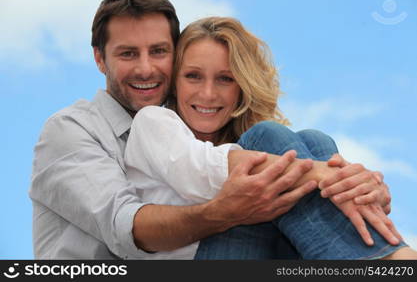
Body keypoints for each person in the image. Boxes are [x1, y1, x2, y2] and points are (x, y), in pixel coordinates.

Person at [29, 0, 392, 259]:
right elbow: (127, 227)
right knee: (274, 145)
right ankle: (390, 257)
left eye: (158, 51)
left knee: (313, 140)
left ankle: (380, 250)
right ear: (99, 59)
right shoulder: (73, 130)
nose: (145, 68)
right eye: (127, 54)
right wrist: (310, 175)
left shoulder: (197, 129)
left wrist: (354, 186)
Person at [124, 16, 416, 259]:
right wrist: (329, 175)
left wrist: (361, 188)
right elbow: (199, 171)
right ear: (174, 82)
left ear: (242, 87)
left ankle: (379, 256)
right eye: (193, 76)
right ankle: (392, 258)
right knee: (269, 137)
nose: (208, 93)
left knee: (314, 141)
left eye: (225, 79)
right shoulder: (154, 121)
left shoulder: (249, 142)